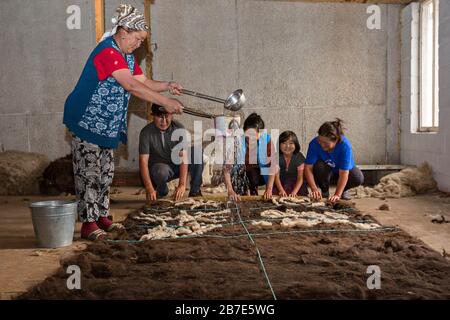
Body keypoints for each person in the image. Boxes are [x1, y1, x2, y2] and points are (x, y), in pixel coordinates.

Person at [63, 4, 184, 241]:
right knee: (89, 173)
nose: (139, 44)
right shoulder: (107, 52)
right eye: (138, 39)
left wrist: (167, 85)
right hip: (88, 122)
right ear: (124, 30)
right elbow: (130, 86)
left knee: (106, 173)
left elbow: (143, 81)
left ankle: (102, 216)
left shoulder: (126, 57)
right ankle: (89, 223)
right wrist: (164, 103)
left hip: (106, 124)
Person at [139, 104, 204, 202]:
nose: (164, 121)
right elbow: (143, 162)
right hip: (160, 169)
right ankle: (161, 190)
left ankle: (195, 191)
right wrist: (149, 187)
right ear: (153, 116)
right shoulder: (146, 133)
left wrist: (182, 185)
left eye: (167, 117)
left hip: (177, 166)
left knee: (197, 152)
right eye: (160, 117)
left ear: (172, 116)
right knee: (160, 171)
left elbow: (184, 158)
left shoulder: (179, 128)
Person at [304, 119, 364, 203]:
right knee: (319, 166)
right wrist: (314, 189)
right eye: (320, 141)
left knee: (358, 177)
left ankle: (343, 189)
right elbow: (308, 168)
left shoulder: (345, 146)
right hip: (326, 172)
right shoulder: (314, 143)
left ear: (336, 140)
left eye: (325, 143)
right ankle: (324, 190)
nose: (322, 145)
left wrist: (337, 194)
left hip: (342, 173)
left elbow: (344, 174)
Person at [273, 131, 308, 197]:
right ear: (279, 144)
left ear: (296, 144)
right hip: (280, 183)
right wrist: (281, 190)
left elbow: (300, 178)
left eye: (291, 143)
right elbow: (276, 177)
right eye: (283, 143)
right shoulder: (276, 156)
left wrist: (294, 192)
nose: (287, 146)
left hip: (297, 184)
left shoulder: (299, 157)